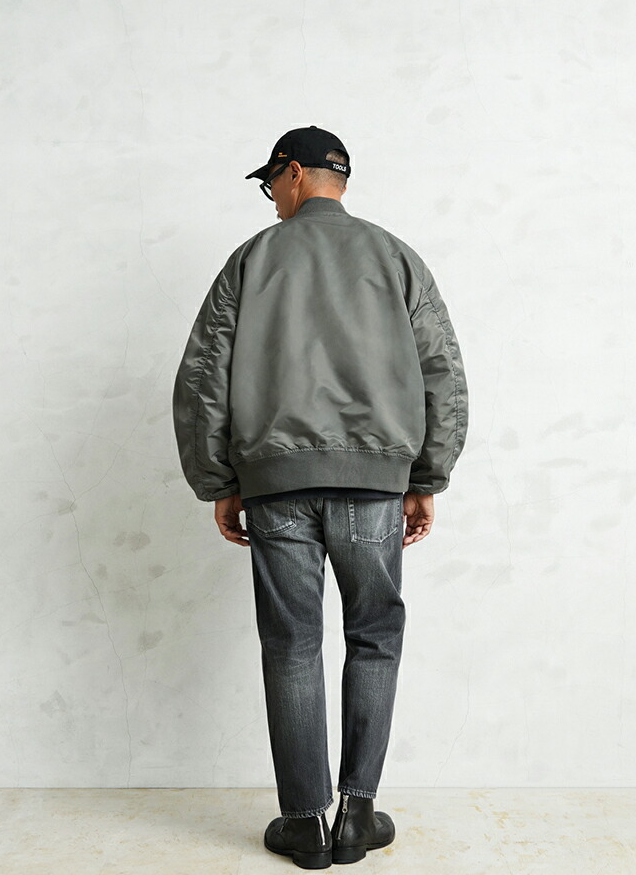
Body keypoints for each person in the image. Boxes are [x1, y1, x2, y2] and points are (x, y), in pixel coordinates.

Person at [172, 124, 468, 869]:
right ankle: (358, 816)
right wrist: (425, 476)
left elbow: (205, 375)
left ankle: (304, 824)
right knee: (375, 637)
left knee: (291, 644)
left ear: (295, 173)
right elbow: (441, 371)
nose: (270, 197)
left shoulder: (253, 259)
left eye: (271, 182)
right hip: (374, 486)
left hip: (277, 487)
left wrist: (220, 481)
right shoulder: (396, 257)